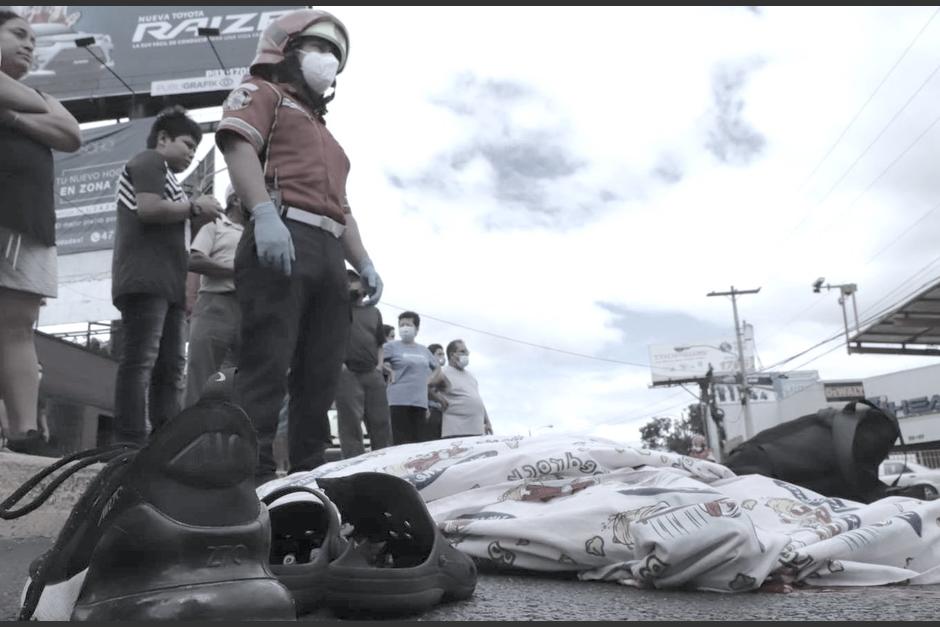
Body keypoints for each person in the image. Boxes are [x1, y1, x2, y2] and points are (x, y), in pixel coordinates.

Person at [216, 9, 384, 484]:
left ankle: (309, 477)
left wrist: (364, 261)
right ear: (284, 49)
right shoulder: (262, 92)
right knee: (267, 362)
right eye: (319, 47)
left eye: (335, 53)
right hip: (282, 236)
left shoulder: (329, 137)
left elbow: (343, 208)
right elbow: (237, 146)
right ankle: (248, 476)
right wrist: (264, 215)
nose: (328, 59)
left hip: (330, 252)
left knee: (321, 373)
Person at [110, 106, 222, 445]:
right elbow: (148, 209)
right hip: (145, 280)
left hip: (169, 286)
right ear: (163, 138)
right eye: (187, 144)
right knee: (141, 361)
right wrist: (194, 207)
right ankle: (130, 441)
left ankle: (164, 444)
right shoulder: (148, 162)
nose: (191, 153)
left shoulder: (171, 179)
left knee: (171, 367)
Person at [0, 11, 80, 455]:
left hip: (30, 223)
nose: (29, 44)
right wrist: (38, 110)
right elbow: (55, 122)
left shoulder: (37, 93)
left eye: (34, 39)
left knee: (18, 326)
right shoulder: (36, 95)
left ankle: (23, 432)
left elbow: (70, 133)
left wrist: (13, 118)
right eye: (17, 34)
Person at [183, 186, 245, 407]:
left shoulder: (259, 233)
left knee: (242, 383)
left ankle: (233, 440)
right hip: (215, 305)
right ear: (236, 199)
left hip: (250, 311)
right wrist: (236, 270)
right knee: (202, 378)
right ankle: (193, 437)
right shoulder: (215, 226)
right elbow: (195, 260)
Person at [334, 269, 392, 459]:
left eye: (355, 281)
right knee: (350, 425)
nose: (351, 285)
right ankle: (353, 468)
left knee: (381, 423)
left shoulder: (374, 312)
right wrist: (340, 365)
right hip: (347, 373)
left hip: (372, 373)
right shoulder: (337, 310)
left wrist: (379, 366)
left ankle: (384, 465)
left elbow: (380, 343)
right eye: (348, 282)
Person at [384, 311, 441, 445]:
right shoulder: (391, 346)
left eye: (408, 324)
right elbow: (377, 360)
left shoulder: (424, 350)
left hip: (419, 402)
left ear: (416, 329)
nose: (404, 328)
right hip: (398, 400)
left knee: (418, 442)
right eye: (401, 325)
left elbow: (437, 368)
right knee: (400, 442)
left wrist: (428, 380)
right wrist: (389, 370)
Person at [439, 339, 492, 438]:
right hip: (456, 431)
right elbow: (427, 387)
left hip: (477, 430)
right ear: (452, 355)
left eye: (467, 352)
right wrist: (440, 400)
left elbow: (477, 399)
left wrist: (487, 422)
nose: (466, 354)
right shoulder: (443, 372)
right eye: (462, 352)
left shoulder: (471, 376)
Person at [424, 343, 446, 442]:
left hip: (440, 412)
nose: (442, 357)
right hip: (431, 411)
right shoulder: (428, 370)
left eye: (443, 354)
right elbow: (426, 389)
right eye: (439, 354)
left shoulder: (442, 373)